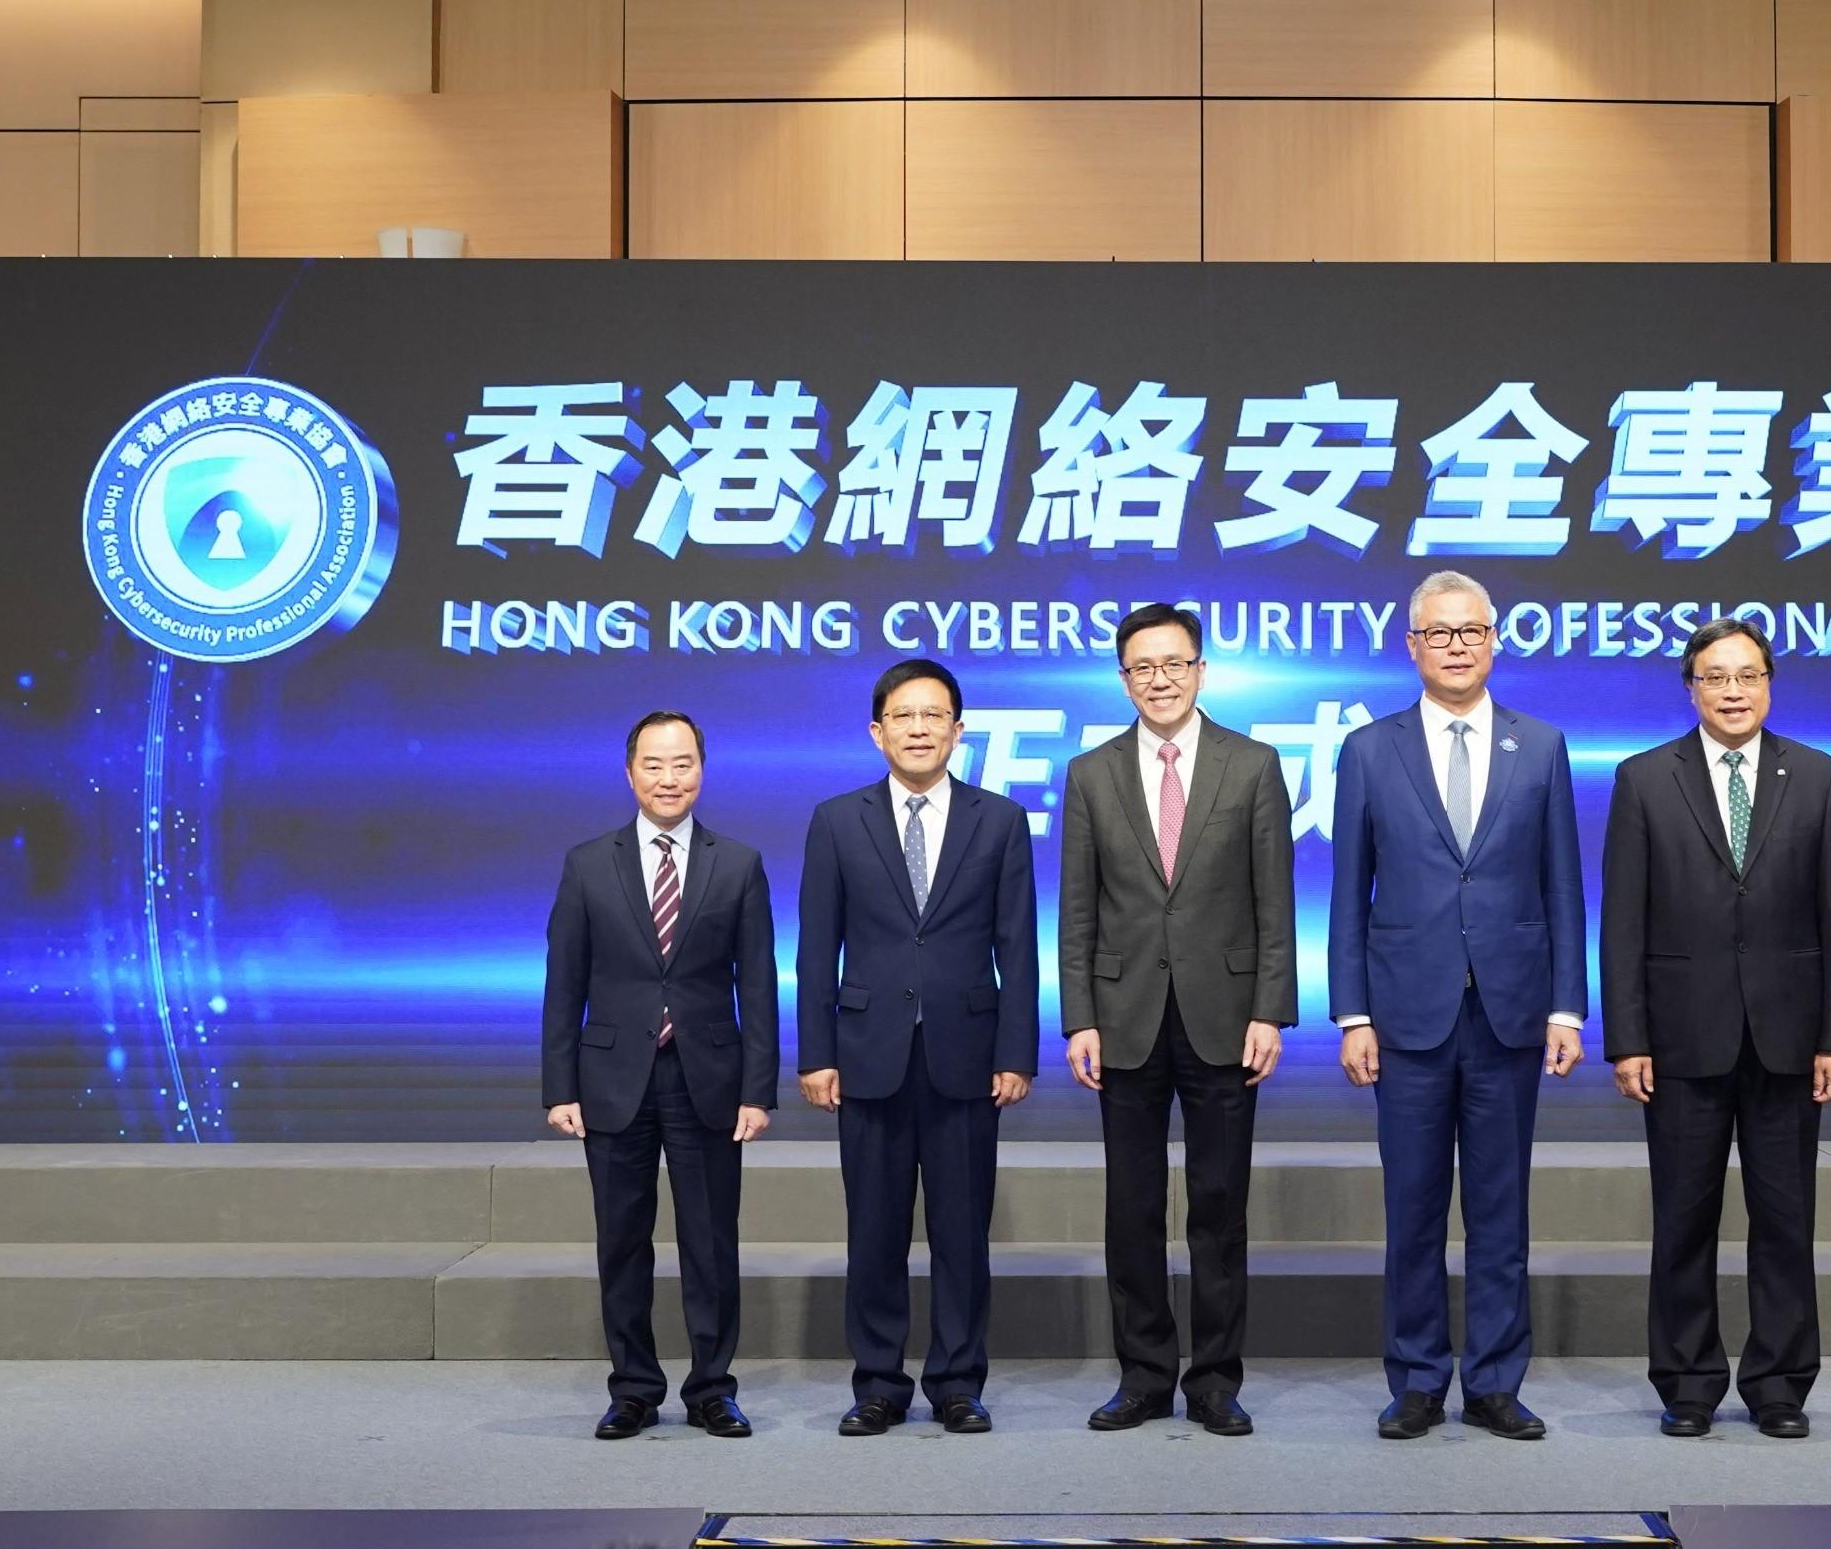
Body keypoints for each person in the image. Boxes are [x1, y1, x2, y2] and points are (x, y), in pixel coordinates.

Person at [1327, 570, 1587, 1442]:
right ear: (1412, 646)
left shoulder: (1540, 745)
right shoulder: (1369, 750)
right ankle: (1415, 1379)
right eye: (1438, 634)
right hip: (1404, 1015)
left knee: (1501, 1207)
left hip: (1511, 1012)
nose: (1455, 647)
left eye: (1470, 631)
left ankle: (1496, 1382)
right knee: (1412, 1206)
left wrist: (1567, 1008)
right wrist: (1352, 1014)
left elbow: (1563, 885)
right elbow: (1345, 893)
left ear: (1494, 638)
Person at [1598, 617, 1831, 1440]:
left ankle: (1780, 1384)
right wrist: (1627, 1037)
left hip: (1790, 1037)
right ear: (1691, 689)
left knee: (1785, 1220)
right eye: (1716, 678)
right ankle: (1687, 1382)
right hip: (1679, 1039)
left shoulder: (1818, 776)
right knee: (1683, 1216)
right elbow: (1623, 922)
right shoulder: (1644, 778)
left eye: (1748, 676)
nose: (1733, 691)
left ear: (1769, 684)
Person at [1059, 602, 1297, 1436]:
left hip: (1226, 1018)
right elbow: (1077, 910)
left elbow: (1276, 900)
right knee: (1131, 1207)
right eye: (1141, 668)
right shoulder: (1091, 773)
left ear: (1201, 670)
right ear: (1123, 678)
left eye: (1174, 664)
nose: (1158, 679)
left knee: (1218, 1203)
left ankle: (1215, 1380)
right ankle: (1144, 1375)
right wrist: (1078, 1017)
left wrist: (1271, 1009)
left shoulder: (1254, 764)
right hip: (1122, 1017)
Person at [795, 659, 1040, 1436]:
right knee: (873, 1230)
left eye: (935, 716)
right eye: (903, 716)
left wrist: (1016, 1052)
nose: (919, 729)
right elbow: (815, 949)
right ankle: (878, 1384)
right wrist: (816, 1052)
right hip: (866, 1053)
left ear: (959, 731)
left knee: (963, 1232)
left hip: (968, 1054)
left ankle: (959, 1383)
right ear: (877, 732)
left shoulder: (998, 820)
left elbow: (1019, 947)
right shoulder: (837, 820)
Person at [542, 709, 778, 1440]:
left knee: (712, 1242)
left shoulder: (737, 863)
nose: (668, 778)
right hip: (613, 1079)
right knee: (622, 1239)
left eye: (682, 764)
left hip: (706, 1075)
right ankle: (634, 1389)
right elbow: (564, 980)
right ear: (630, 772)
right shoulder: (588, 863)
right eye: (654, 764)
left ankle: (712, 1389)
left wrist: (758, 1089)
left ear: (701, 771)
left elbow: (760, 984)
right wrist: (560, 1086)